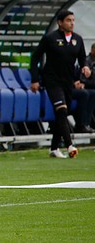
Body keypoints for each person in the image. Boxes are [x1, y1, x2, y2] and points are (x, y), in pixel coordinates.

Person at [30, 10, 90, 158]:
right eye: (68, 20)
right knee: (62, 110)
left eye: (73, 20)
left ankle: (54, 148)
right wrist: (35, 79)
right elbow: (35, 57)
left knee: (61, 114)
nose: (72, 23)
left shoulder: (78, 39)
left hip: (68, 82)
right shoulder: (50, 38)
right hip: (52, 80)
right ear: (60, 22)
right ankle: (70, 145)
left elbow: (82, 59)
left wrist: (85, 67)